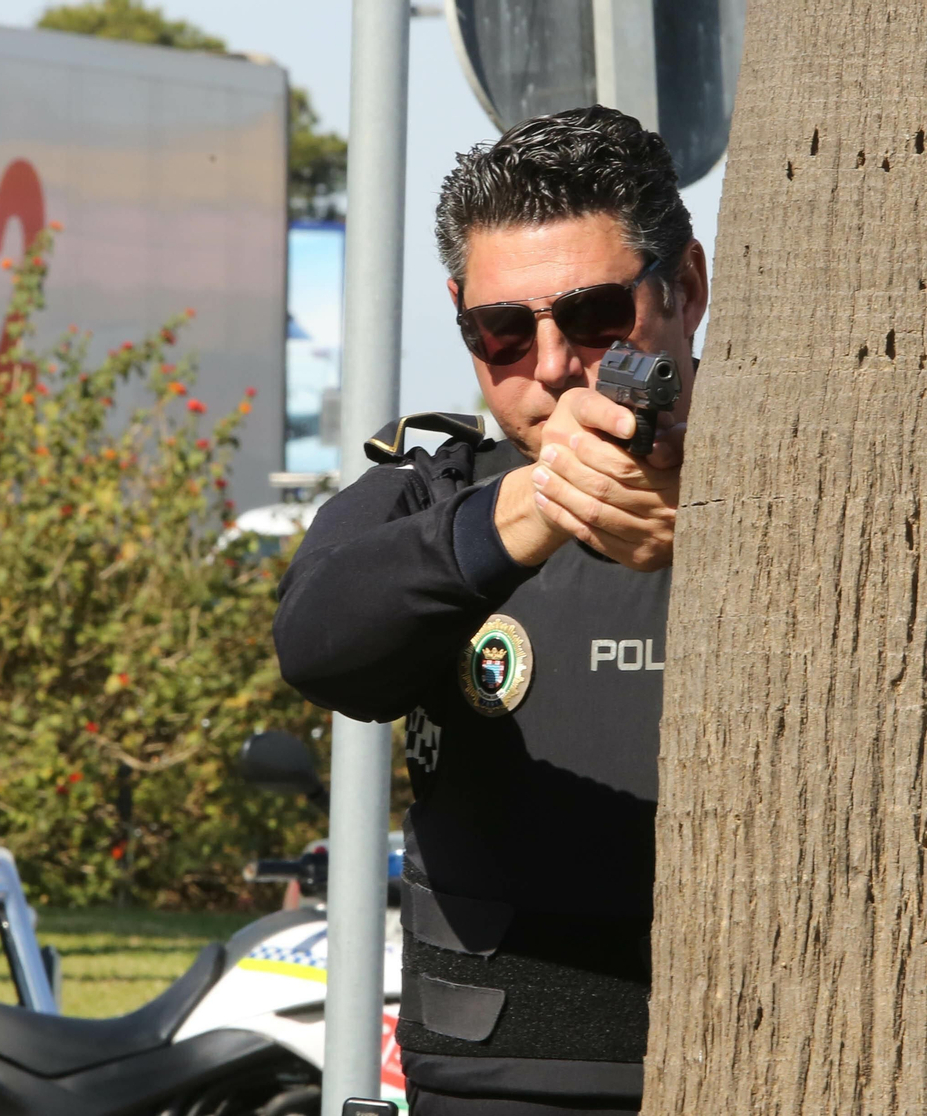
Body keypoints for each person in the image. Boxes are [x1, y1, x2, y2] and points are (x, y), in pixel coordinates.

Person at [272, 106, 709, 1115]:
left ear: (682, 288)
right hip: (498, 1080)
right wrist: (518, 516)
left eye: (596, 317)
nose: (552, 363)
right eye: (504, 330)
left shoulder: (821, 506)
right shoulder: (436, 496)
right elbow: (321, 642)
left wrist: (716, 549)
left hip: (769, 1055)